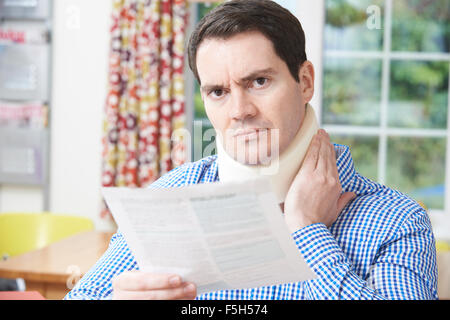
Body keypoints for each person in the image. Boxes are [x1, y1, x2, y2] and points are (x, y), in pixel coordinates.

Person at [65, 0, 438, 300]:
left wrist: (307, 230)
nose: (240, 111)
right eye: (218, 92)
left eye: (259, 81)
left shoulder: (397, 221)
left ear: (304, 82)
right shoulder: (173, 195)